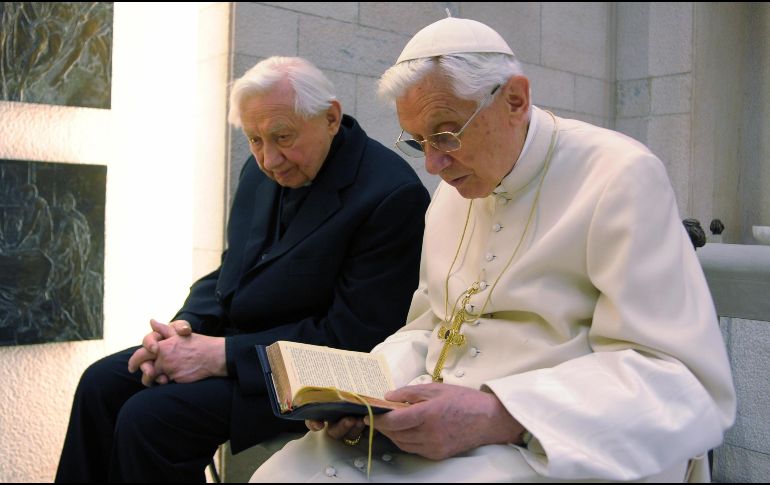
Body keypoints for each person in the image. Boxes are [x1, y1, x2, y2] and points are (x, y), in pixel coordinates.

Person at [250, 17, 736, 483]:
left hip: (551, 442)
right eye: (419, 143)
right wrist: (364, 395)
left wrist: (500, 414)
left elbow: (677, 381)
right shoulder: (450, 195)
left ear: (515, 100)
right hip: (429, 428)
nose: (435, 165)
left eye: (446, 133)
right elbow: (430, 327)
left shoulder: (619, 176)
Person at [55, 56, 430, 482]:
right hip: (238, 345)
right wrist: (181, 331)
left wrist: (219, 357)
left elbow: (355, 338)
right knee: (100, 384)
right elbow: (230, 270)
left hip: (306, 377)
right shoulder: (262, 168)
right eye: (254, 139)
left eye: (282, 137)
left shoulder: (391, 195)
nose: (270, 159)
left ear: (330, 117)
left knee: (152, 418)